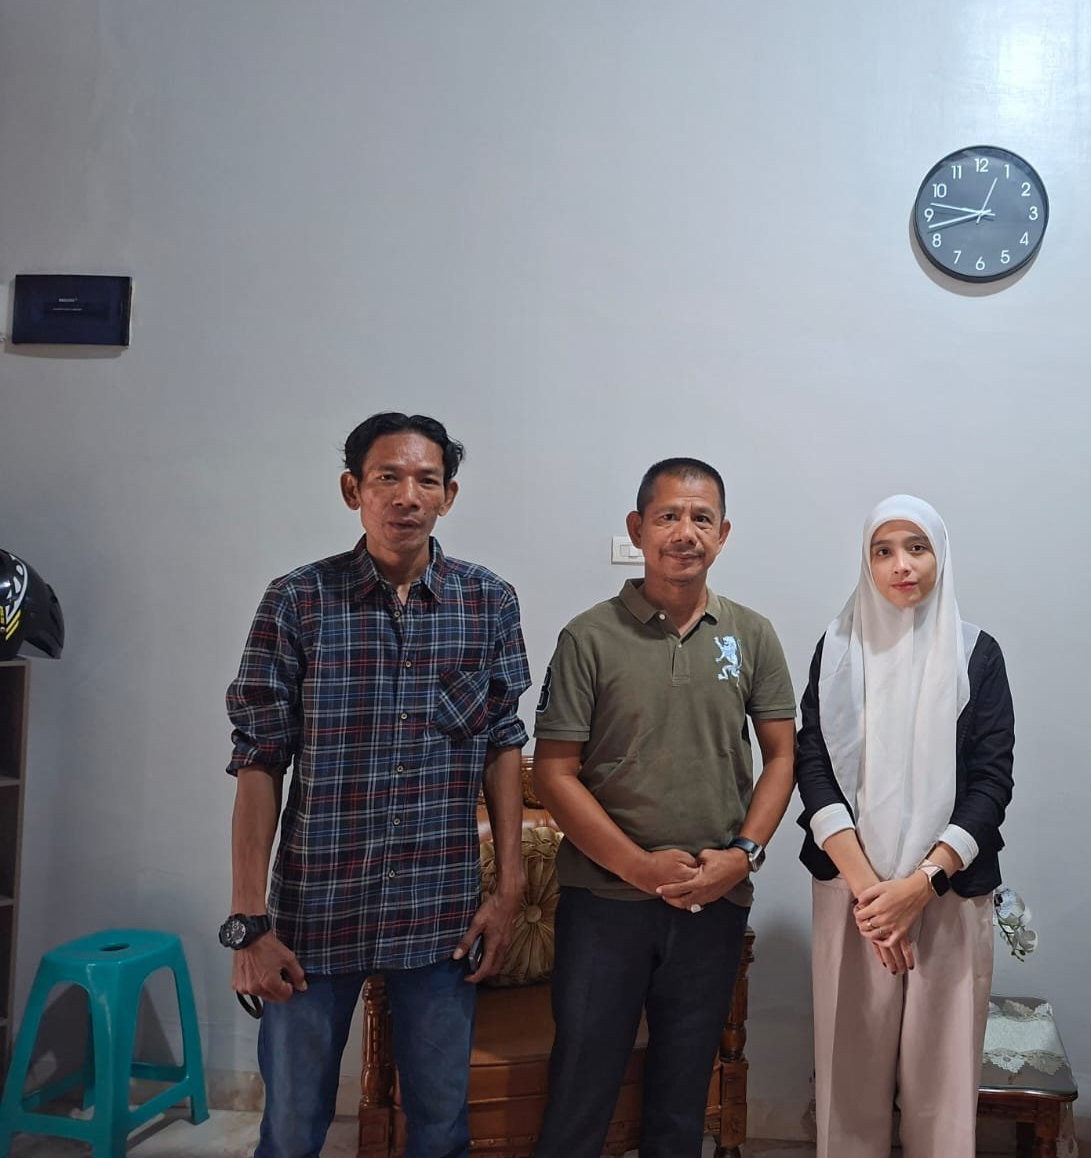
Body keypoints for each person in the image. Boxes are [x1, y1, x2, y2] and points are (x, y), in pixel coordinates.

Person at [224, 412, 532, 1158]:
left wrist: (509, 890)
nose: (407, 496)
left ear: (448, 495)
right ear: (352, 489)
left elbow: (503, 747)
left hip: (440, 912)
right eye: (387, 477)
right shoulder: (298, 601)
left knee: (441, 1128)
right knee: (291, 1129)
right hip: (314, 910)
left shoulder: (488, 602)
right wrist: (248, 922)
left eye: (427, 480)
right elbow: (260, 760)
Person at [529, 457, 796, 1158]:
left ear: (723, 534)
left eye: (702, 518)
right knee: (581, 1091)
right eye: (668, 516)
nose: (685, 532)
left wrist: (741, 857)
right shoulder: (589, 637)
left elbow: (782, 757)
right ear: (638, 528)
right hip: (603, 902)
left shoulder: (752, 634)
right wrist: (639, 867)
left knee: (682, 1103)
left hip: (713, 899)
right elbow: (554, 773)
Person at [795, 494, 1015, 1157]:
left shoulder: (977, 654)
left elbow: (991, 782)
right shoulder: (837, 650)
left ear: (940, 555)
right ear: (865, 563)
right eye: (883, 551)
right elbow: (814, 765)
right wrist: (874, 896)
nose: (902, 565)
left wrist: (919, 886)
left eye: (917, 548)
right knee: (847, 1079)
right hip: (853, 896)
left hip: (947, 893)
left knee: (942, 1089)